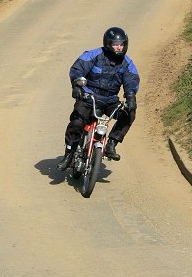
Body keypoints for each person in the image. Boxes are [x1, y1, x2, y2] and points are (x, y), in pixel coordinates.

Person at [57, 27, 140, 171]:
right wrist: (77, 86)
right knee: (76, 122)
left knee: (130, 113)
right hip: (89, 97)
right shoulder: (93, 55)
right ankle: (69, 154)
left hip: (110, 100)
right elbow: (77, 69)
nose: (119, 47)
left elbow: (131, 80)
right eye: (115, 44)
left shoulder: (128, 63)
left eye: (121, 44)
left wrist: (131, 97)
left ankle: (111, 144)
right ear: (108, 44)